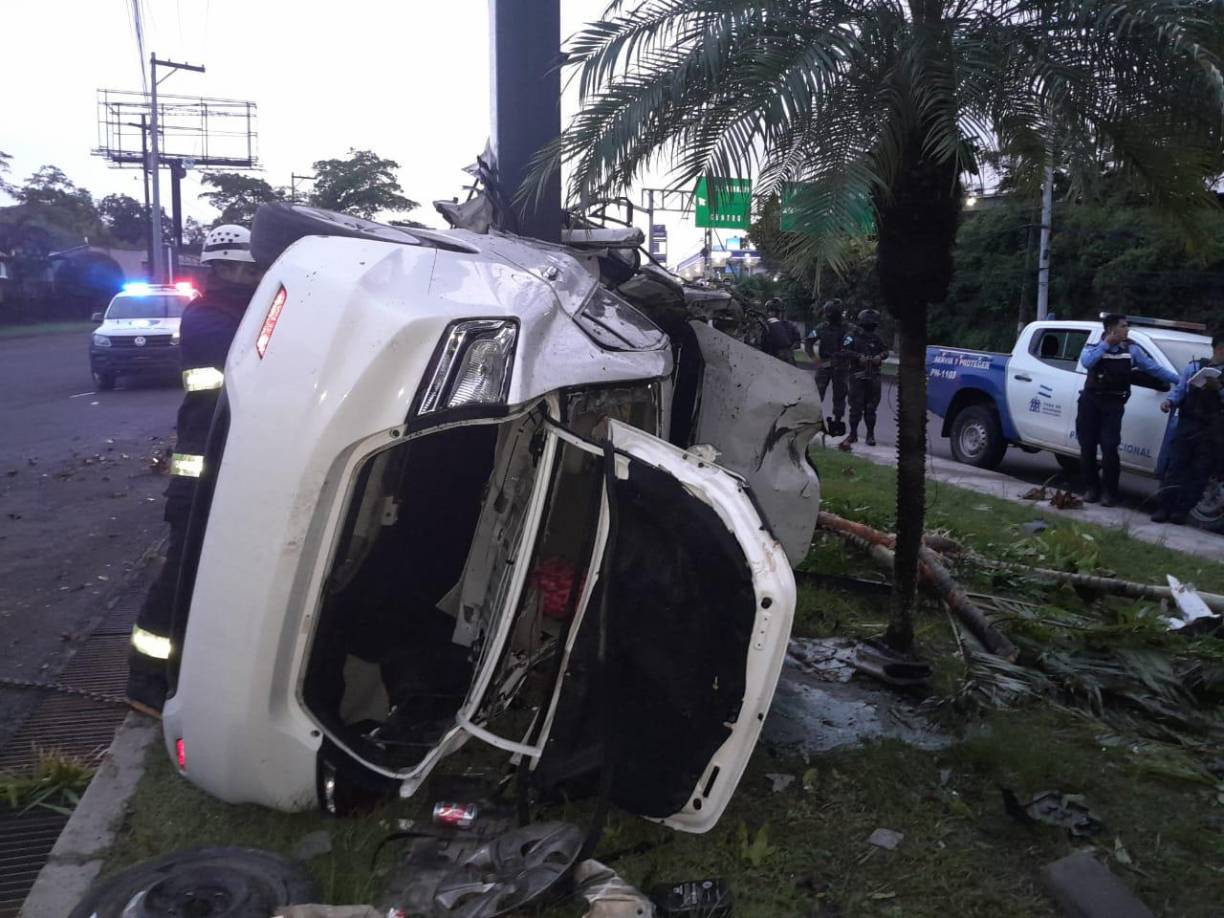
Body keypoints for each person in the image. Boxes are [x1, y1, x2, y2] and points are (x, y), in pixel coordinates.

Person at [126, 224, 267, 716]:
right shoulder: (207, 317)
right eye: (240, 269)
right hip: (202, 465)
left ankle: (195, 668)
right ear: (218, 269)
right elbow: (252, 357)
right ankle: (146, 678)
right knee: (185, 566)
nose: (248, 278)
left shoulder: (250, 310)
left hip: (239, 460)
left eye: (254, 270)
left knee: (220, 572)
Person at [1076, 314, 1179, 507]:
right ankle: (1091, 489)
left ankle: (1109, 493)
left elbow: (1154, 369)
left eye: (1126, 326)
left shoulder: (1132, 350)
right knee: (1087, 446)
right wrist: (1106, 344)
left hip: (1113, 404)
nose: (1127, 330)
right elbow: (1087, 362)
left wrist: (1182, 381)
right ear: (1111, 330)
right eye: (1123, 326)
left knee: (1110, 447)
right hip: (1090, 401)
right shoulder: (1094, 347)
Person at [1152, 331, 1224, 524]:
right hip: (1188, 423)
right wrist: (1169, 402)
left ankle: (1181, 511)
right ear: (1216, 349)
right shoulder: (1194, 367)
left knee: (1199, 472)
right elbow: (1181, 389)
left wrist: (1219, 389)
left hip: (1212, 430)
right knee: (1176, 467)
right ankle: (1163, 508)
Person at [840, 308, 889, 447]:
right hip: (857, 375)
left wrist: (880, 357)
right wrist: (858, 357)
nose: (871, 326)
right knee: (855, 407)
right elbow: (844, 351)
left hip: (873, 375)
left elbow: (885, 351)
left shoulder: (876, 337)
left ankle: (870, 435)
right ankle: (853, 434)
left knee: (871, 408)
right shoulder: (851, 336)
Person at [805, 299, 850, 434]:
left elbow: (856, 340)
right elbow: (808, 343)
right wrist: (816, 361)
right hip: (825, 364)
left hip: (841, 366)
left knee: (840, 395)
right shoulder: (821, 327)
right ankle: (813, 419)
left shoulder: (848, 328)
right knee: (817, 393)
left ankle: (837, 421)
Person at [762, 297, 800, 364]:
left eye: (770, 311)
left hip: (774, 360)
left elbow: (797, 342)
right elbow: (797, 342)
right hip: (787, 360)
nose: (769, 313)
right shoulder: (791, 325)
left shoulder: (768, 324)